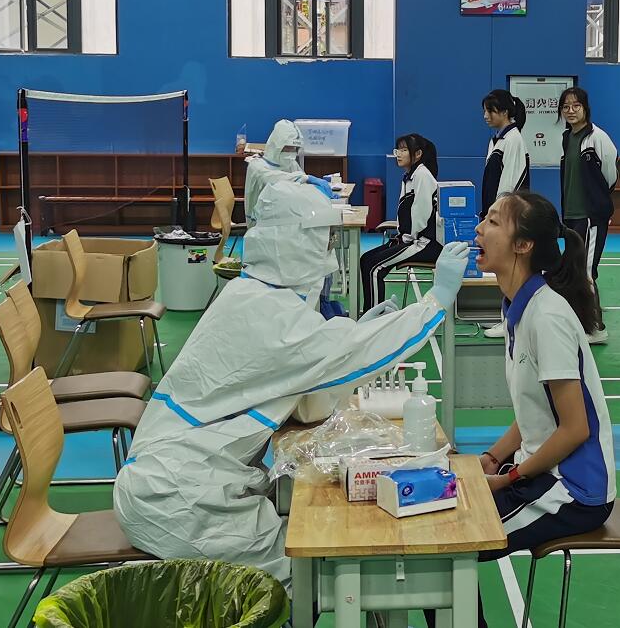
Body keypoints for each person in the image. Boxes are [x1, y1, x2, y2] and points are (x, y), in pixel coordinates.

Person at [114, 178, 470, 591]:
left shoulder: (252, 294)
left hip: (176, 480)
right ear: (297, 242)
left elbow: (305, 399)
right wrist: (433, 301)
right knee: (305, 575)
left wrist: (351, 335)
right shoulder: (272, 315)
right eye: (322, 238)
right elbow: (354, 355)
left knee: (308, 543)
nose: (328, 250)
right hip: (182, 498)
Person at [471, 191, 615, 628]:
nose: (479, 229)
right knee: (448, 518)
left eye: (493, 222)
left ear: (523, 245)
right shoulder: (519, 307)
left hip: (573, 491)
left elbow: (574, 429)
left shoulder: (547, 317)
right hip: (539, 474)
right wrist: (492, 458)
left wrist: (511, 476)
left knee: (452, 543)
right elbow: (537, 410)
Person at [558, 86, 618, 345]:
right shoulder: (567, 138)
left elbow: (610, 173)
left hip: (591, 216)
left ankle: (596, 327)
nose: (570, 111)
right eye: (566, 107)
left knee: (586, 271)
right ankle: (580, 322)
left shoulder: (598, 138)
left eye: (576, 106)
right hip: (571, 215)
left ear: (585, 108)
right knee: (574, 270)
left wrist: (599, 202)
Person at [359, 134, 442, 312]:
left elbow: (421, 216)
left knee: (375, 267)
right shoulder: (409, 176)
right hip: (410, 239)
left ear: (417, 154)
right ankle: (369, 312)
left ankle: (374, 319)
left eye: (404, 150)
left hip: (424, 244)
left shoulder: (422, 175)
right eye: (398, 150)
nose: (398, 154)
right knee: (366, 259)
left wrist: (406, 239)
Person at [480, 89, 529, 338]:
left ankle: (510, 321)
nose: (486, 116)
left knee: (511, 270)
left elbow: (510, 183)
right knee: (502, 269)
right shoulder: (496, 140)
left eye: (491, 111)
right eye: (485, 111)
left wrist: (498, 216)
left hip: (508, 218)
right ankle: (506, 318)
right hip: (495, 216)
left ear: (506, 112)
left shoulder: (514, 140)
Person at [243, 119, 335, 225]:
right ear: (276, 145)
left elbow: (301, 186)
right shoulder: (256, 165)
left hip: (285, 218)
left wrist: (318, 192)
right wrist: (307, 178)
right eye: (288, 148)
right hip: (260, 223)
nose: (291, 152)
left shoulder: (290, 163)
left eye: (295, 149)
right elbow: (272, 180)